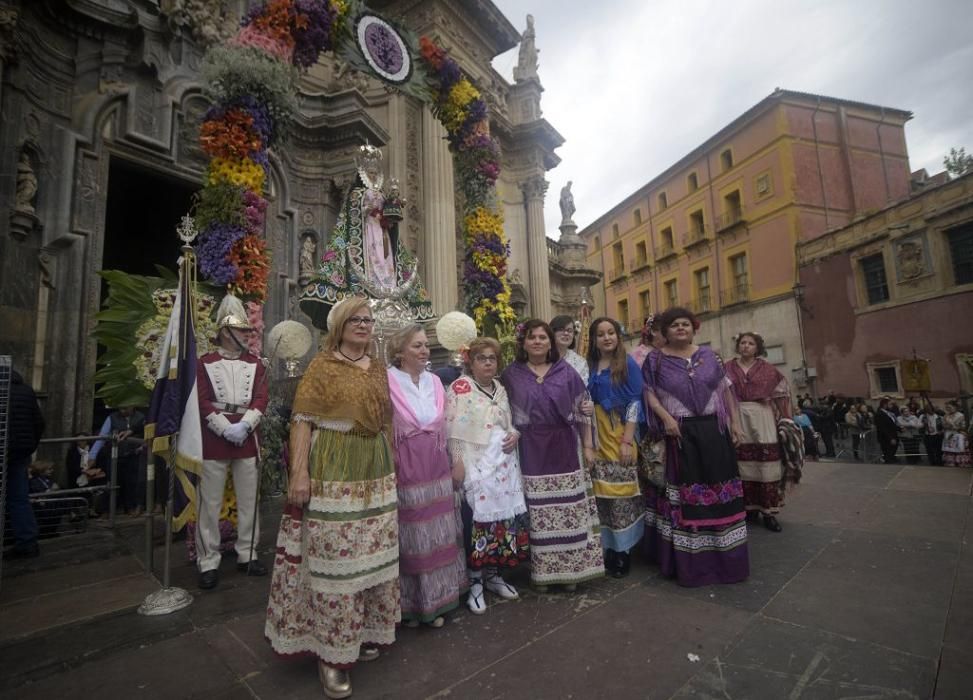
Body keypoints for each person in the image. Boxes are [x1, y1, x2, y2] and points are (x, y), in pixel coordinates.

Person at [265, 296, 400, 700]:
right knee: (335, 561)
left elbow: (386, 420)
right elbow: (302, 421)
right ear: (339, 325)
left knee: (373, 555)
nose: (363, 325)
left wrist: (391, 467)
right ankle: (331, 655)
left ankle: (363, 633)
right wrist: (300, 472)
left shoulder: (377, 367)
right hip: (333, 465)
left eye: (368, 319)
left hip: (374, 467)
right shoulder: (321, 366)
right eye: (355, 319)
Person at [641, 307, 749, 587]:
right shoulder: (655, 361)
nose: (681, 328)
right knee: (686, 500)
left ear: (694, 327)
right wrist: (666, 419)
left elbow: (725, 391)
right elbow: (649, 393)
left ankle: (727, 563)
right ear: (665, 331)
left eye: (686, 324)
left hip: (714, 431)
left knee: (720, 491)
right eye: (675, 324)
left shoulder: (710, 357)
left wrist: (735, 424)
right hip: (680, 433)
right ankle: (693, 566)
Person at [501, 319, 604, 592]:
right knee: (539, 512)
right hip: (530, 448)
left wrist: (589, 446)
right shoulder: (512, 375)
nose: (537, 341)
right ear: (523, 343)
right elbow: (501, 411)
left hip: (564, 445)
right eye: (532, 337)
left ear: (550, 342)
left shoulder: (566, 372)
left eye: (542, 337)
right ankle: (545, 573)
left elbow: (583, 409)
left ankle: (571, 572)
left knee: (568, 507)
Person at [387, 324, 466, 628]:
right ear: (399, 351)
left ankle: (441, 599)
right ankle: (415, 604)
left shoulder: (435, 382)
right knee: (413, 535)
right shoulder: (387, 380)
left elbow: (450, 424)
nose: (424, 351)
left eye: (425, 345)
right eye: (416, 346)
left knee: (440, 531)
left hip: (436, 466)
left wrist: (456, 460)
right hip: (406, 467)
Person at [445, 337, 527, 615]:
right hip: (475, 462)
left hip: (503, 465)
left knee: (502, 521)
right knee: (476, 521)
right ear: (471, 361)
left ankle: (494, 574)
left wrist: (515, 435)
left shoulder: (500, 388)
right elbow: (453, 429)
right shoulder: (460, 388)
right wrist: (457, 462)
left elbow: (508, 423)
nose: (488, 363)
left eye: (492, 358)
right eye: (482, 358)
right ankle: (476, 581)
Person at [195, 295, 269, 590]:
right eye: (241, 331)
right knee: (209, 503)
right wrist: (225, 428)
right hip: (215, 437)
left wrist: (246, 425)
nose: (247, 336)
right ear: (226, 332)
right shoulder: (205, 363)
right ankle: (208, 560)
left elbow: (261, 397)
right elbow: (201, 400)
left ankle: (247, 554)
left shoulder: (256, 364)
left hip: (247, 436)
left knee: (249, 500)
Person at [585, 317, 644, 577]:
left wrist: (627, 441)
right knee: (601, 497)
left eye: (611, 333)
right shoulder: (589, 365)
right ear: (594, 339)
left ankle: (623, 551)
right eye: (601, 334)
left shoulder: (627, 363)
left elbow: (634, 402)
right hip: (594, 433)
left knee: (621, 496)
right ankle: (607, 547)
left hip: (618, 431)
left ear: (618, 337)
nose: (607, 338)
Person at [725, 332, 793, 533]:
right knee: (740, 463)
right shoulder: (727, 368)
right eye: (743, 343)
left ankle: (768, 511)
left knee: (766, 463)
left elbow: (782, 395)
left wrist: (788, 421)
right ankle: (746, 508)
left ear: (758, 347)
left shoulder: (769, 370)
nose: (746, 346)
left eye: (750, 343)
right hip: (736, 415)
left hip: (762, 416)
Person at [3, 370, 44, 559]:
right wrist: (30, 446)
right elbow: (39, 422)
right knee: (19, 498)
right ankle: (27, 541)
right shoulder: (27, 391)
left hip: (6, 450)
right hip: (20, 452)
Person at [87, 405, 146, 515]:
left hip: (133, 454)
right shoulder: (111, 418)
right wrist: (92, 455)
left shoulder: (141, 418)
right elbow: (102, 437)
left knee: (132, 482)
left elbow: (146, 435)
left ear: (132, 406)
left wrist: (141, 447)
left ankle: (130, 507)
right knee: (112, 482)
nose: (122, 411)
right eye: (120, 408)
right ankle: (108, 510)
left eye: (125, 408)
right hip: (114, 455)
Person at [550, 315, 587, 383]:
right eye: (561, 329)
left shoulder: (580, 362)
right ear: (552, 332)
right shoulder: (543, 357)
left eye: (569, 331)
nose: (566, 333)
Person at [943, 401, 971, 468]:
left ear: (955, 407)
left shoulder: (961, 416)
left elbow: (964, 427)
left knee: (959, 450)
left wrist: (956, 427)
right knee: (950, 450)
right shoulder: (946, 416)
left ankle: (961, 463)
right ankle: (951, 463)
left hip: (959, 435)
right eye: (947, 408)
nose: (948, 409)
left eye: (949, 407)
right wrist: (946, 426)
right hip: (949, 435)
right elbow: (943, 425)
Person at [874, 398, 900, 464]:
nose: (892, 406)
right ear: (885, 405)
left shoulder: (889, 413)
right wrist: (890, 438)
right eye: (890, 404)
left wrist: (899, 429)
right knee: (888, 453)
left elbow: (892, 424)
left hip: (893, 434)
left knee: (893, 450)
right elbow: (882, 428)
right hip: (886, 438)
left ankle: (891, 459)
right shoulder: (879, 414)